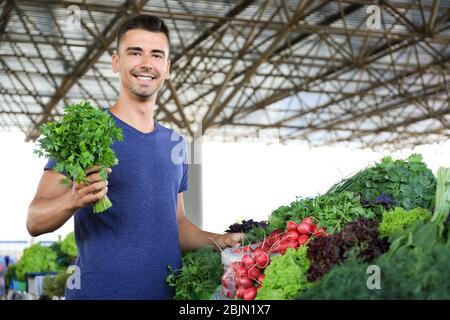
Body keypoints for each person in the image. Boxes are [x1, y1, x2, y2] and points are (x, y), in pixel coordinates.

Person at [26, 14, 243, 300]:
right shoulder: (86, 135)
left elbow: (177, 226)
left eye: (156, 55)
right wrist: (74, 199)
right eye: (135, 52)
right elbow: (34, 220)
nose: (145, 63)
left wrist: (220, 240)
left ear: (166, 68)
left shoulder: (175, 143)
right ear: (116, 62)